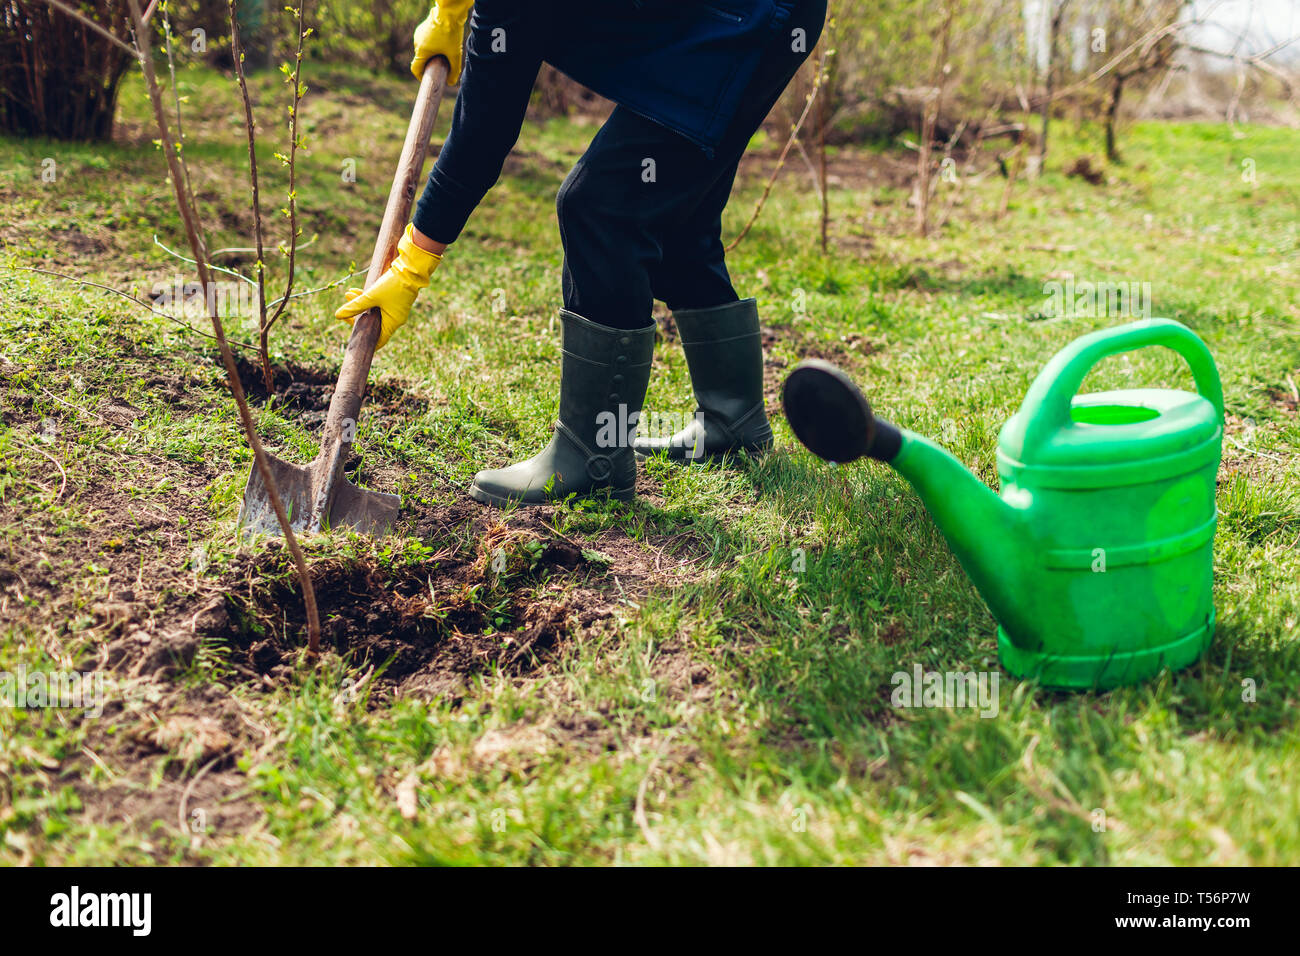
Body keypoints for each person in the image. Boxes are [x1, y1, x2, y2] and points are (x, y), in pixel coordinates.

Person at [336, 0, 827, 506]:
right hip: (770, 15)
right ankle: (733, 423)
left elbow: (482, 137)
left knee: (602, 207)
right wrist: (450, 11)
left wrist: (413, 264)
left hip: (749, 19)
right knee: (679, 214)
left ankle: (594, 457)